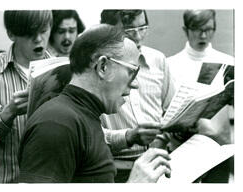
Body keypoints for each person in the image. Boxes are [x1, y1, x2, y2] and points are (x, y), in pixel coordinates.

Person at [18, 24, 172, 183]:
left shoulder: (82, 116)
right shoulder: (56, 123)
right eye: (132, 72)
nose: (136, 84)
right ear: (103, 66)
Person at [100, 9, 175, 182]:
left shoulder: (158, 60)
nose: (139, 37)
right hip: (116, 168)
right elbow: (91, 133)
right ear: (108, 30)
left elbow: (171, 110)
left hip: (158, 161)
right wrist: (128, 136)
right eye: (129, 31)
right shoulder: (99, 67)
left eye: (143, 28)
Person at [167, 9, 234, 182]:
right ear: (186, 30)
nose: (203, 35)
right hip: (181, 147)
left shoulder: (230, 63)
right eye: (197, 29)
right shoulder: (170, 64)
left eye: (209, 29)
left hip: (219, 146)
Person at [0, 10, 53, 183]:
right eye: (30, 32)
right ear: (11, 34)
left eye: (43, 30)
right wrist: (8, 114)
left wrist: (126, 136)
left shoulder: (63, 70)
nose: (38, 39)